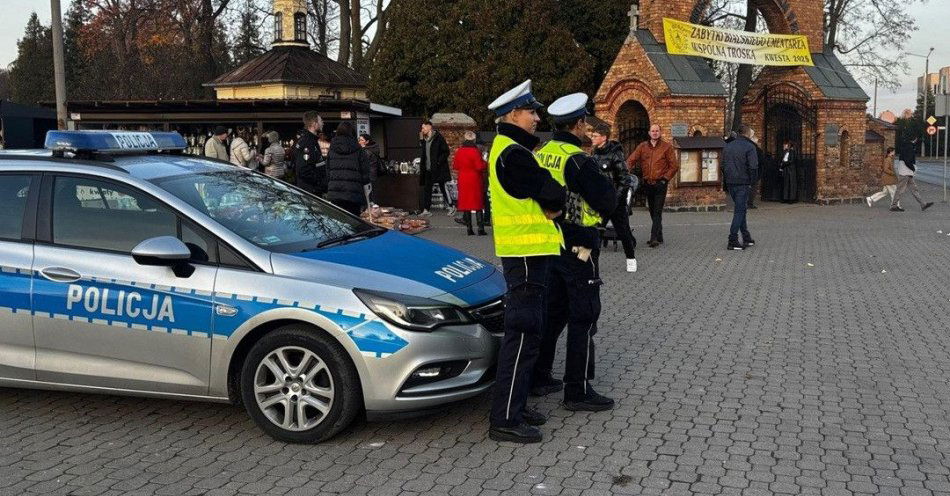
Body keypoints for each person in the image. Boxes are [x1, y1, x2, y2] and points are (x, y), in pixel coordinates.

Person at [486, 80, 566, 444]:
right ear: (513, 114)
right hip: (526, 256)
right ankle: (505, 419)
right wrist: (553, 200)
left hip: (529, 256)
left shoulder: (512, 150)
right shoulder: (512, 154)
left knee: (529, 333)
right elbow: (552, 192)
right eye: (532, 111)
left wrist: (551, 197)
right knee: (521, 335)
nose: (537, 118)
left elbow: (547, 192)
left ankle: (516, 406)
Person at [531, 93, 617, 412]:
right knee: (584, 314)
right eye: (586, 124)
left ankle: (540, 376)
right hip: (579, 243)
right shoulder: (577, 159)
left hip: (550, 241)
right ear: (579, 124)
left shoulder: (543, 153)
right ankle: (577, 390)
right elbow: (607, 200)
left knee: (553, 312)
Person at [591, 123, 638, 272]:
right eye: (592, 136)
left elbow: (625, 179)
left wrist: (616, 199)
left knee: (623, 231)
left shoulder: (616, 154)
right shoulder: (595, 154)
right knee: (595, 232)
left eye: (595, 136)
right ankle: (591, 263)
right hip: (600, 201)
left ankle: (631, 259)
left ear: (604, 137)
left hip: (616, 202)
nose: (592, 138)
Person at [627, 124, 678, 248]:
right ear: (649, 133)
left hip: (660, 183)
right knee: (652, 211)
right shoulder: (643, 146)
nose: (655, 133)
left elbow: (674, 166)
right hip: (647, 183)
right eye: (652, 131)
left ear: (660, 132)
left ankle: (653, 238)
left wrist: (665, 179)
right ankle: (659, 234)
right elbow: (631, 160)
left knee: (657, 211)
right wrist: (625, 170)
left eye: (657, 131)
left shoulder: (667, 147)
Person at [721, 125, 759, 250]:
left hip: (731, 183)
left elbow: (722, 165)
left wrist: (727, 178)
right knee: (739, 211)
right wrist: (752, 182)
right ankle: (732, 240)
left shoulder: (728, 146)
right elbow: (753, 167)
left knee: (741, 209)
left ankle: (746, 237)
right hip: (743, 183)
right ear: (748, 134)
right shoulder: (750, 147)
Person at [326, 122, 371, 216]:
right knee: (354, 224)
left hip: (335, 193)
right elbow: (365, 173)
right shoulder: (358, 149)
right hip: (354, 194)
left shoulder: (332, 148)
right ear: (353, 132)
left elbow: (328, 170)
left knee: (338, 222)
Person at [452, 130, 488, 235]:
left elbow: (455, 166)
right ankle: (480, 229)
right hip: (474, 180)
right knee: (477, 204)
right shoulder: (475, 151)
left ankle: (469, 229)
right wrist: (486, 163)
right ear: (474, 139)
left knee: (466, 204)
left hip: (463, 179)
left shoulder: (459, 151)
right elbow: (479, 167)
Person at [419, 119, 453, 216]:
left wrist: (438, 161)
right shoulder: (425, 140)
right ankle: (426, 209)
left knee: (443, 187)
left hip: (438, 168)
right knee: (427, 189)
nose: (422, 129)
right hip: (428, 169)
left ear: (429, 127)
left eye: (423, 127)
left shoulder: (438, 138)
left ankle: (451, 206)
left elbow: (446, 151)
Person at [891, 137, 934, 212]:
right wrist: (912, 168)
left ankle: (923, 204)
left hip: (906, 171)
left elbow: (904, 159)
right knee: (900, 189)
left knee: (914, 189)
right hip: (906, 172)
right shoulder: (909, 147)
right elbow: (908, 160)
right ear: (915, 139)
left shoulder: (905, 146)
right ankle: (893, 206)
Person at [295, 111, 327, 196]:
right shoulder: (307, 142)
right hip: (310, 192)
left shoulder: (311, 140)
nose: (322, 123)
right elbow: (304, 170)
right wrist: (319, 183)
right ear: (314, 124)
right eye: (320, 121)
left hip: (312, 190)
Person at [358, 133, 381, 207]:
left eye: (361, 140)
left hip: (368, 174)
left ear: (367, 142)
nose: (359, 142)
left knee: (369, 193)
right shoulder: (373, 149)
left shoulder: (366, 151)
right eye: (359, 140)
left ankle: (370, 207)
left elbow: (362, 161)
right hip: (372, 174)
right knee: (371, 193)